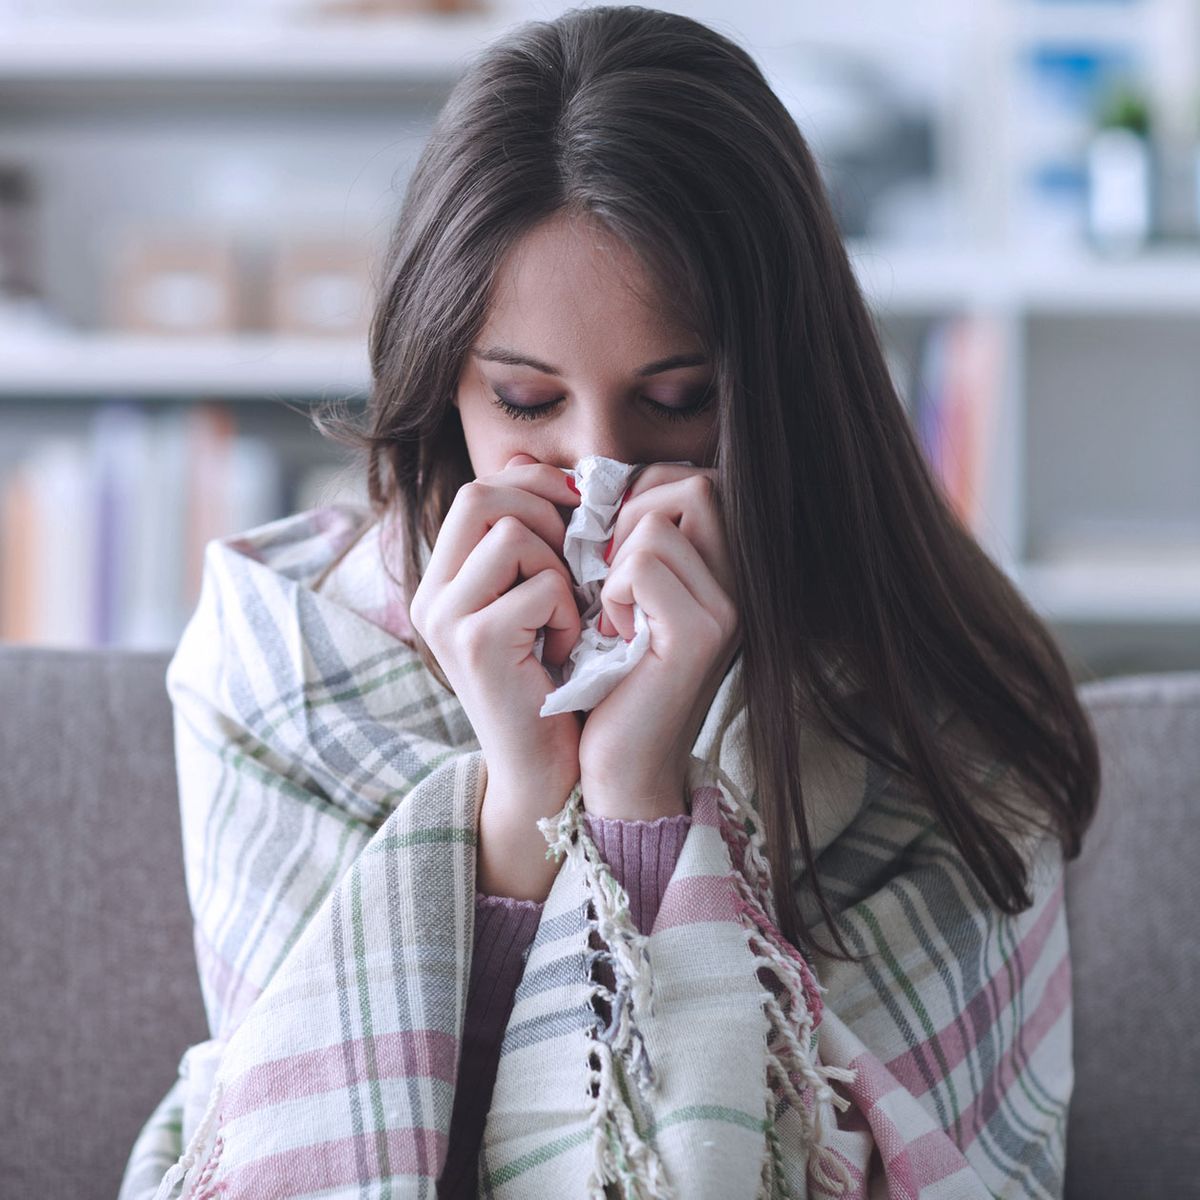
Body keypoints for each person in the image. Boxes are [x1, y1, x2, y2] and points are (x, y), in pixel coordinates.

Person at [119, 6, 1100, 1199]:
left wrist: (640, 795)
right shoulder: (284, 657)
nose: (602, 479)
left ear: (781, 391)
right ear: (443, 388)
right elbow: (318, 1136)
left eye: (679, 401)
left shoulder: (929, 695)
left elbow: (898, 1160)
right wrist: (522, 803)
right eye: (528, 404)